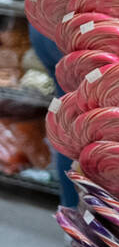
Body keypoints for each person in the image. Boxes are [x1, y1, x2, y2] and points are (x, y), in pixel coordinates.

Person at [28, 22, 76, 208]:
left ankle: (71, 211)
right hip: (70, 33)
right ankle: (83, 217)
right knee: (82, 129)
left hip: (42, 29)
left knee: (68, 123)